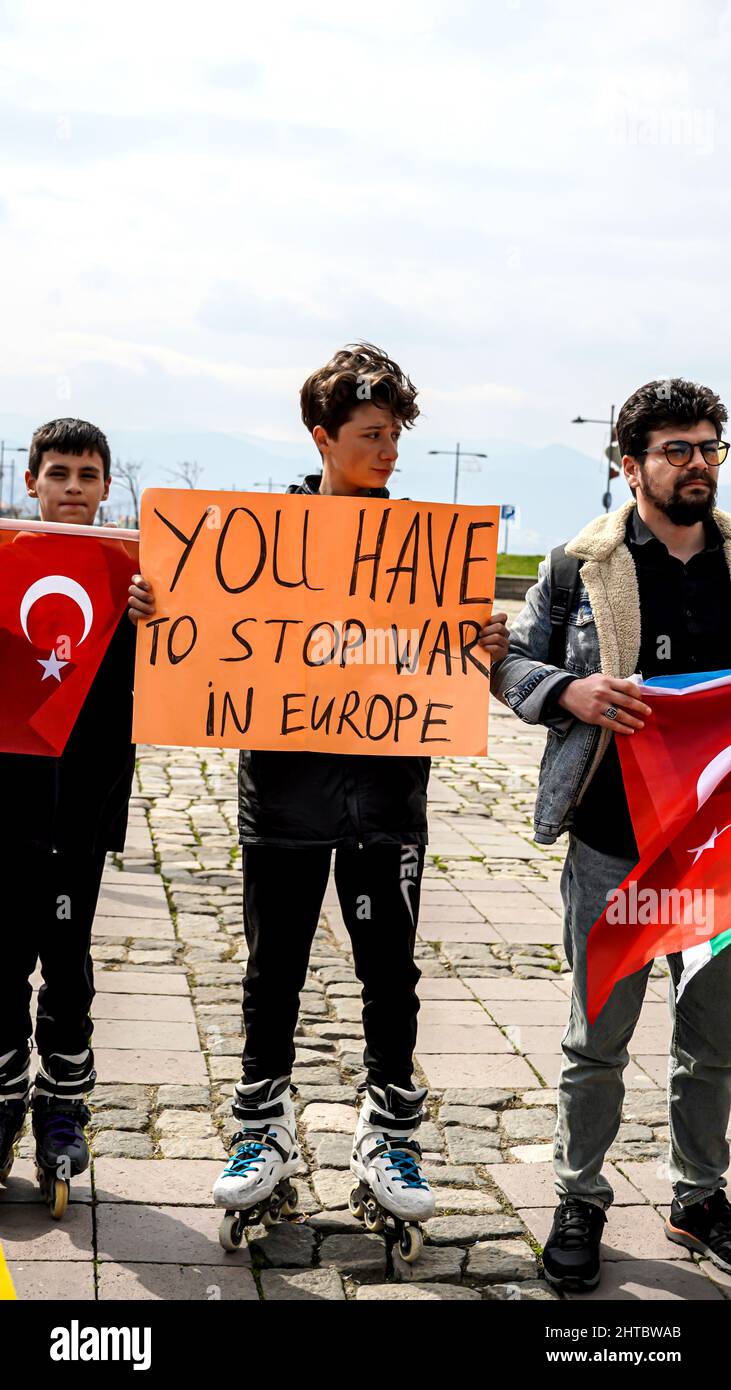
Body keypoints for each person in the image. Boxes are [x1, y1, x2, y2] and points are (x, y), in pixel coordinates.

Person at [130, 342, 509, 1243]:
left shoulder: (424, 551)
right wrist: (159, 609)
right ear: (322, 437)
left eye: (395, 436)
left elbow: (443, 656)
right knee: (274, 969)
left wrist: (477, 643)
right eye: (371, 435)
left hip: (386, 799)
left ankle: (391, 1135)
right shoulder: (251, 540)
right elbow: (207, 627)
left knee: (390, 973)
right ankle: (261, 1127)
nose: (387, 452)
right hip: (287, 793)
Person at [491, 377, 731, 1290]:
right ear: (627, 466)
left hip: (717, 850)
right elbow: (510, 659)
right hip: (614, 841)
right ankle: (580, 1194)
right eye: (676, 450)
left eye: (709, 446)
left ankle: (699, 1196)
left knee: (712, 1040)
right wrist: (569, 692)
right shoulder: (574, 566)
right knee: (596, 1038)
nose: (698, 463)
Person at [0, 418, 137, 1212]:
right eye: (59, 473)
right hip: (8, 796)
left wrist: (151, 615)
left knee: (67, 961)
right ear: (32, 483)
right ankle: (1, 1092)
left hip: (81, 797)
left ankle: (62, 1107)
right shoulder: (7, 562)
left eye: (88, 474)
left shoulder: (130, 573)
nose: (74, 488)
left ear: (105, 486)